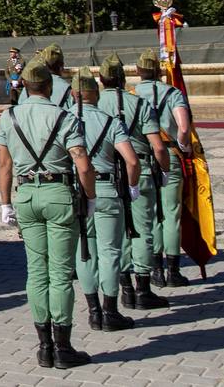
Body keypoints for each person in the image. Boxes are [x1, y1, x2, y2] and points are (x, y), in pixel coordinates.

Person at [0, 59, 96, 369]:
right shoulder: (64, 117)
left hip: (26, 194)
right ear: (50, 87)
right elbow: (82, 163)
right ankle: (63, 346)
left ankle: (44, 346)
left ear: (23, 85)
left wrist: (5, 204)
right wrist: (90, 198)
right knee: (61, 273)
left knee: (36, 271)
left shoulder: (8, 117)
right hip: (58, 193)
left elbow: (4, 166)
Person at [95, 54, 168, 309]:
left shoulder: (95, 106)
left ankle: (124, 288)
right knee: (142, 230)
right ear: (124, 78)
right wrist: (165, 170)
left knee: (117, 235)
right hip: (140, 168)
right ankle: (143, 288)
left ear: (101, 80)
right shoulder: (140, 104)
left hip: (108, 174)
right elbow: (158, 146)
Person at [70, 68, 137, 331]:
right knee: (111, 251)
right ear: (94, 94)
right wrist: (132, 187)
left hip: (77, 191)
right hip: (107, 190)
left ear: (74, 94)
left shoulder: (65, 120)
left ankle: (93, 311)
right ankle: (110, 312)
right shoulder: (111, 121)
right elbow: (131, 160)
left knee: (85, 250)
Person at [131, 48, 192, 290]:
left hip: (142, 156)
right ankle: (173, 271)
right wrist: (183, 145)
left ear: (137, 71)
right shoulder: (172, 93)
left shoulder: (131, 94)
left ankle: (155, 269)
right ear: (158, 70)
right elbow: (184, 128)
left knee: (149, 213)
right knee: (171, 214)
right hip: (169, 153)